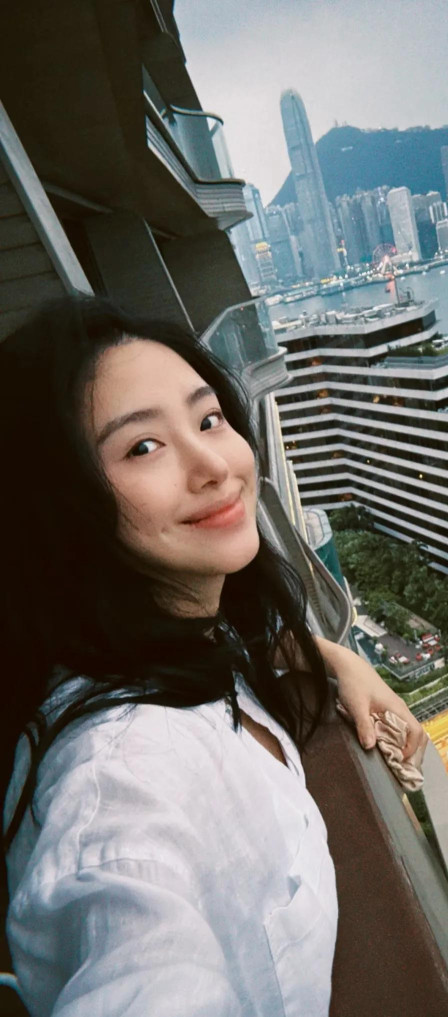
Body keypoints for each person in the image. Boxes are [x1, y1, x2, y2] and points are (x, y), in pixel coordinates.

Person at [0, 296, 426, 1016]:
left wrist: (331, 656)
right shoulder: (116, 785)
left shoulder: (169, 637)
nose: (212, 466)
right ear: (60, 506)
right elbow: (135, 960)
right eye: (142, 447)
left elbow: (234, 639)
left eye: (207, 420)